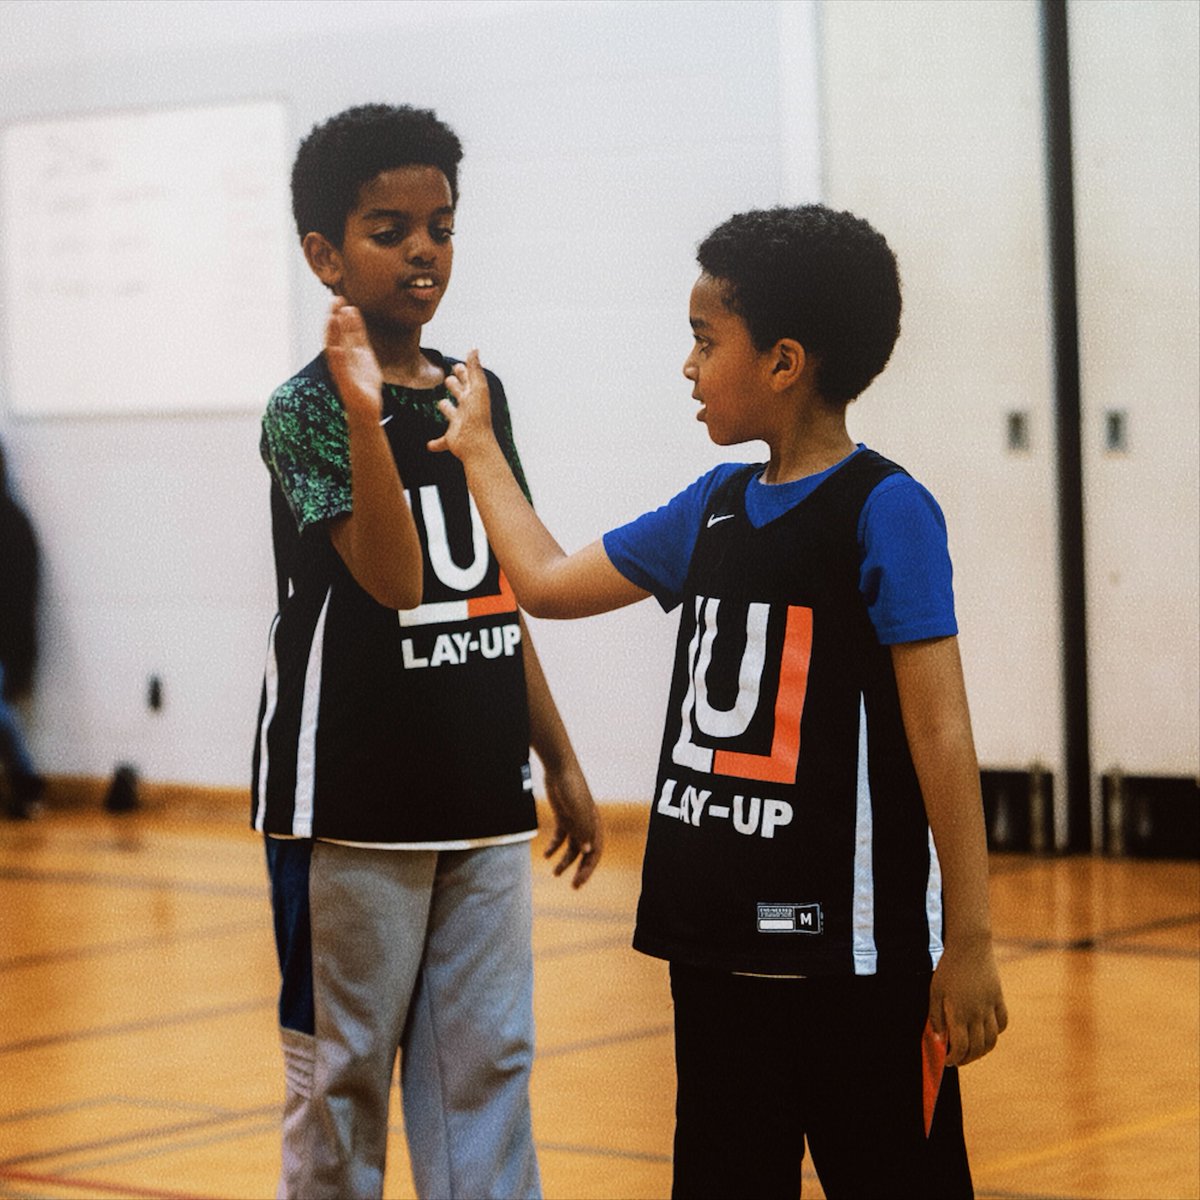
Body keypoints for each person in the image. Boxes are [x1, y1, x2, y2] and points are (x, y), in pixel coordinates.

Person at [429, 205, 1008, 1197]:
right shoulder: (713, 506)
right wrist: (480, 449)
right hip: (712, 954)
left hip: (856, 967)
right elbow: (548, 584)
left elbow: (941, 729)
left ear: (784, 363)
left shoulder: (888, 510)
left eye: (705, 343)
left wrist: (972, 940)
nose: (688, 368)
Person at [251, 103, 602, 1200]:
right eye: (389, 229)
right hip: (348, 802)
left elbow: (499, 589)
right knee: (343, 1078)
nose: (423, 253)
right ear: (324, 252)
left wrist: (560, 757)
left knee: (486, 1072)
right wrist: (367, 422)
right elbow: (398, 583)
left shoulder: (474, 396)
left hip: (481, 799)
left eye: (440, 226)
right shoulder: (305, 412)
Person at [0, 438, 44, 821]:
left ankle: (28, 783)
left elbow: (20, 598)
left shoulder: (12, 522)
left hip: (7, 644)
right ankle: (27, 783)